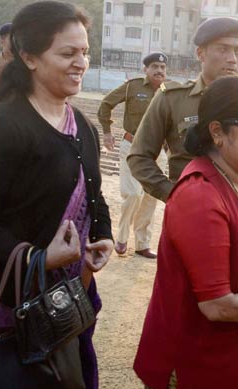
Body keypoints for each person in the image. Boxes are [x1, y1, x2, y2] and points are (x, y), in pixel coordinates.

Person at [0, 2, 113, 389]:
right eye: (67, 53)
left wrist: (103, 236)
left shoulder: (84, 127)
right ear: (29, 57)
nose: (81, 63)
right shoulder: (0, 129)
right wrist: (36, 259)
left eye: (85, 52)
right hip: (10, 303)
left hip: (66, 300)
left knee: (70, 382)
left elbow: (94, 196)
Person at [134, 75, 238, 389]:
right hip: (195, 368)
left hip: (235, 358)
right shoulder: (199, 197)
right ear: (217, 131)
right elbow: (217, 305)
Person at [128, 17, 238, 203]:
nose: (232, 59)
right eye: (223, 49)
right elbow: (139, 157)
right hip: (190, 211)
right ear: (200, 53)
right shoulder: (172, 98)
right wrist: (174, 194)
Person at [97, 52, 169, 258]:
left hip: (158, 151)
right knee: (133, 193)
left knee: (150, 197)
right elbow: (106, 104)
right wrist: (107, 132)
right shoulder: (132, 86)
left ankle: (142, 244)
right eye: (154, 66)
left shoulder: (169, 91)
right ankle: (121, 238)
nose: (159, 71)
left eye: (163, 68)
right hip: (132, 146)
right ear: (145, 69)